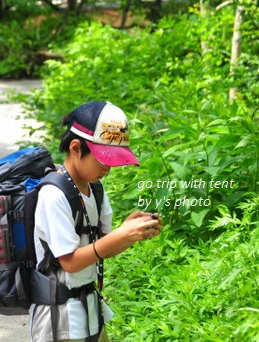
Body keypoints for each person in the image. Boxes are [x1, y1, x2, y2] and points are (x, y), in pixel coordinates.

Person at [29, 101, 163, 342]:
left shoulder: (95, 190)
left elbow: (101, 248)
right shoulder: (53, 195)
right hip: (59, 317)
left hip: (90, 308)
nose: (108, 168)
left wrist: (131, 233)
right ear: (75, 148)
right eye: (103, 159)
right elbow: (69, 262)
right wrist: (121, 234)